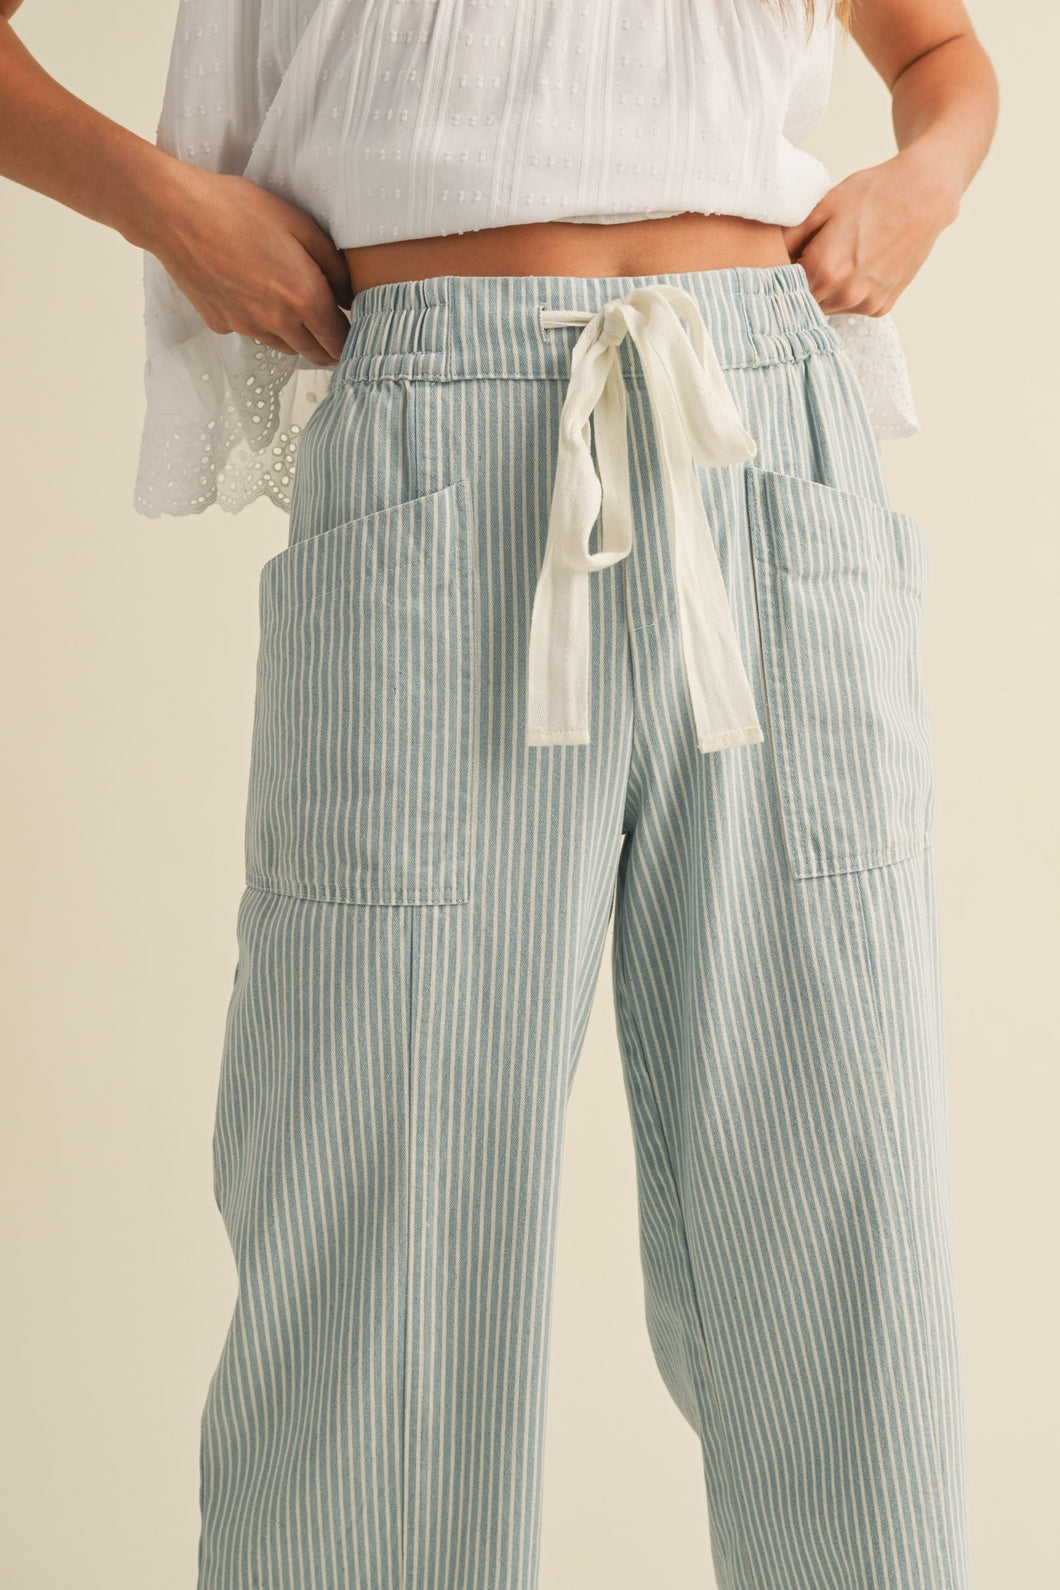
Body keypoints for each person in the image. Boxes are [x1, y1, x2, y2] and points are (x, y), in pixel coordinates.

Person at [1, 2, 998, 1588]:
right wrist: (167, 206)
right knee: (379, 1203)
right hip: (436, 456)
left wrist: (924, 181)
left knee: (839, 1188)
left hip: (758, 433)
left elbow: (941, 58)